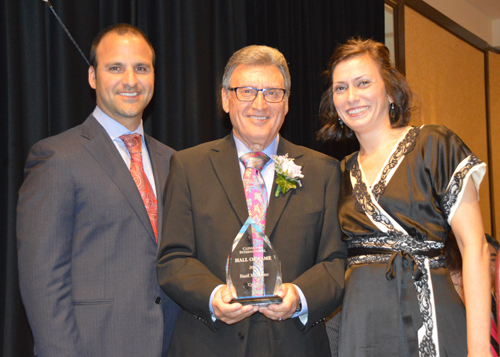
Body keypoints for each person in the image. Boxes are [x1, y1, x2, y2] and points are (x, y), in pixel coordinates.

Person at [157, 45, 346, 356]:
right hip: (209, 344)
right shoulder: (188, 166)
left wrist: (299, 296)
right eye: (246, 91)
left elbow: (336, 262)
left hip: (295, 345)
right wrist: (213, 296)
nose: (260, 104)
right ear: (225, 98)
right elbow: (172, 259)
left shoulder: (323, 170)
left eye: (273, 93)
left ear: (286, 103)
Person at [318, 38, 491, 356]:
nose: (352, 96)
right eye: (340, 88)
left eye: (363, 82)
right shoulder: (338, 173)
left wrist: (479, 348)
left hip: (432, 318)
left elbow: (474, 248)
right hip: (363, 326)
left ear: (390, 90)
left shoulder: (433, 145)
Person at [17, 24, 179, 357]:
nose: (131, 80)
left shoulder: (174, 161)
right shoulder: (57, 157)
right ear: (93, 77)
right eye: (115, 67)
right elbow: (42, 280)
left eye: (141, 68)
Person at [444, 233, 499, 356]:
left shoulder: (485, 306)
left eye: (493, 260)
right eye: (482, 260)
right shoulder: (456, 315)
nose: (486, 267)